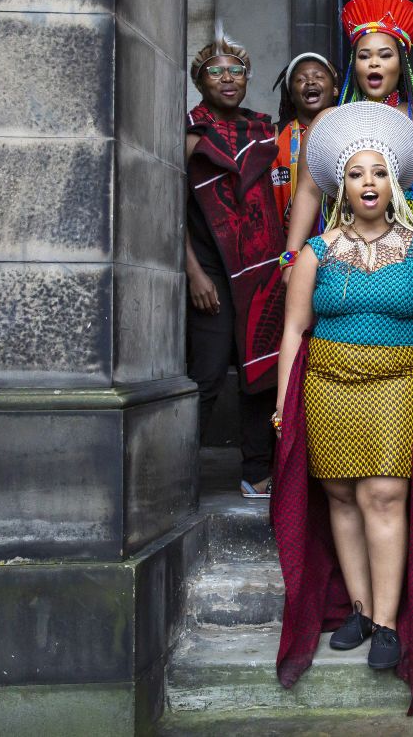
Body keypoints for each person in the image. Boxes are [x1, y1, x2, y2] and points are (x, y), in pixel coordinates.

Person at [271, 101, 413, 714]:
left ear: (394, 183)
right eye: (356, 174)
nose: (368, 183)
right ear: (341, 187)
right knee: (342, 496)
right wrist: (282, 406)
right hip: (325, 383)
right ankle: (355, 606)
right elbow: (294, 331)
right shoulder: (317, 253)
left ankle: (385, 622)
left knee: (384, 495)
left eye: (378, 173)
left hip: (397, 382)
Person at [283, 0, 413, 288]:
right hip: (345, 242)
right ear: (355, 65)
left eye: (385, 55)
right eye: (364, 56)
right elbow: (309, 191)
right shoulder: (329, 121)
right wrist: (291, 258)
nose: (374, 63)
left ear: (402, 63)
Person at [184, 30, 284, 500]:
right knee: (206, 375)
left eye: (236, 71)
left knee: (260, 370)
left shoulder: (264, 130)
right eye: (216, 72)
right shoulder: (189, 135)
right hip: (211, 268)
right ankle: (178, 475)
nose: (228, 79)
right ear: (200, 81)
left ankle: (256, 470)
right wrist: (194, 273)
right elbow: (170, 212)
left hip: (260, 268)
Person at [270, 52, 339, 228]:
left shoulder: (349, 131)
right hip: (285, 240)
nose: (310, 82)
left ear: (335, 90)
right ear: (292, 95)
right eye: (301, 79)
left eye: (319, 76)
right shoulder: (275, 135)